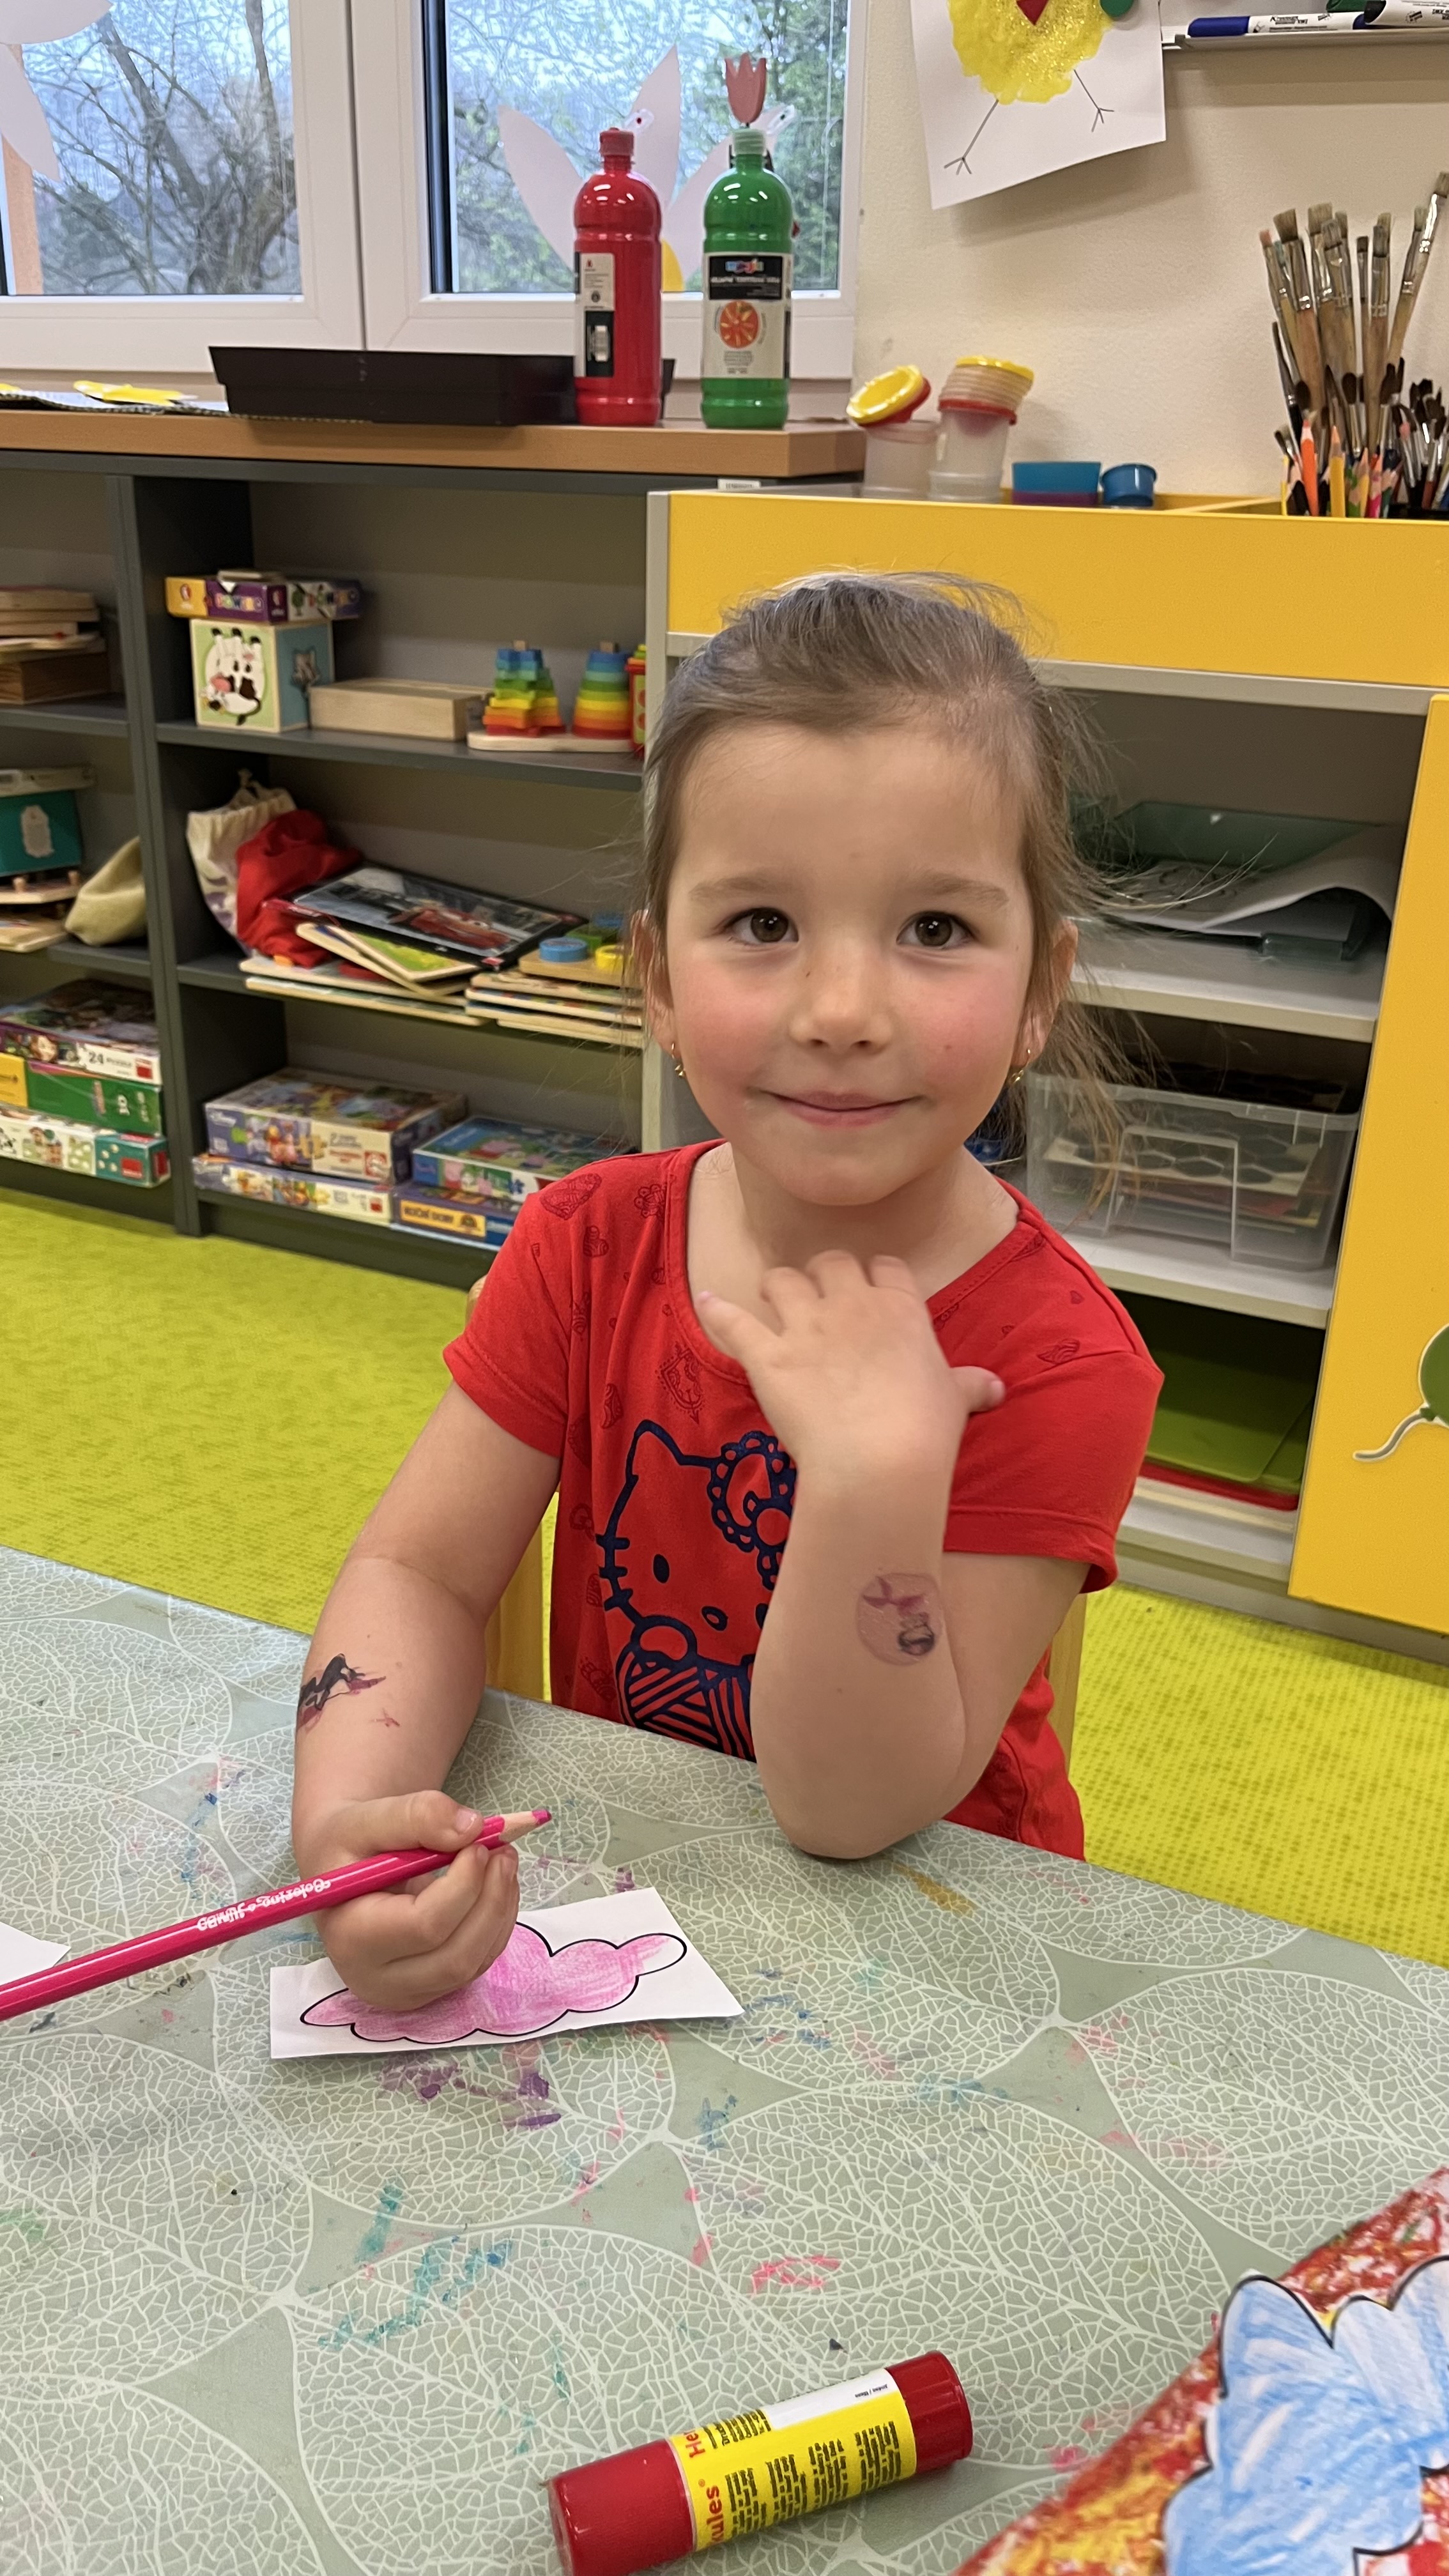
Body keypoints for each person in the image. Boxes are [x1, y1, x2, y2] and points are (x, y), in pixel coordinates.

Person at [291, 574, 1161, 2009]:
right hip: (629, 1883)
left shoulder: (1058, 1358)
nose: (842, 1011)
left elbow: (852, 1814)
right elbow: (422, 1574)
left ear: (1038, 990)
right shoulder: (586, 1246)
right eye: (761, 922)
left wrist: (875, 1479)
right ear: (655, 975)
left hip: (927, 1941)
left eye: (936, 930)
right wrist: (352, 1817)